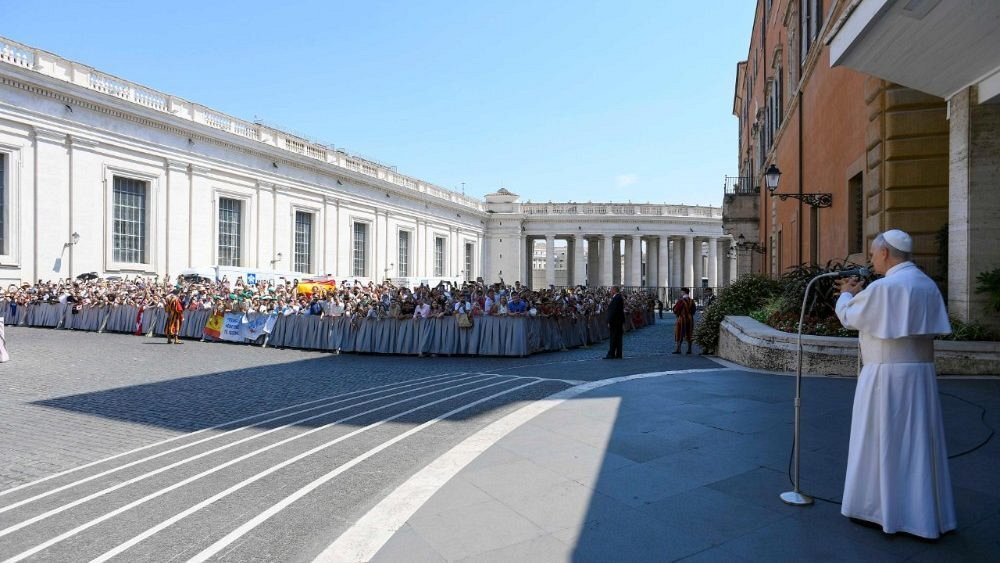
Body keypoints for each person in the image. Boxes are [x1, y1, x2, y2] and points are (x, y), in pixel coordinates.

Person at [834, 229, 955, 539]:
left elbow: (849, 317)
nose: (872, 260)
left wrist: (846, 293)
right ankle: (921, 516)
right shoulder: (926, 284)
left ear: (885, 253)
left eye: (874, 254)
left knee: (881, 442)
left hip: (885, 378)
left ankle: (879, 510)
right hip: (920, 378)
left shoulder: (885, 287)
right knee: (917, 445)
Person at [672, 287, 696, 354]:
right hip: (690, 319)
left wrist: (677, 314)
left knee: (679, 333)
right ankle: (689, 349)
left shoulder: (681, 301)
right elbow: (694, 310)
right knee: (689, 333)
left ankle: (678, 349)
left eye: (681, 292)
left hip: (682, 319)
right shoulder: (691, 301)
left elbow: (676, 309)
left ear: (684, 292)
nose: (681, 293)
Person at [604, 286, 624, 359]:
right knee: (618, 338)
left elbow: (613, 311)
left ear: (614, 290)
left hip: (615, 321)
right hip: (618, 321)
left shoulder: (616, 298)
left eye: (611, 290)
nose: (610, 292)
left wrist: (609, 321)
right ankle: (618, 354)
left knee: (614, 338)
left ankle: (611, 354)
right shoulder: (619, 297)